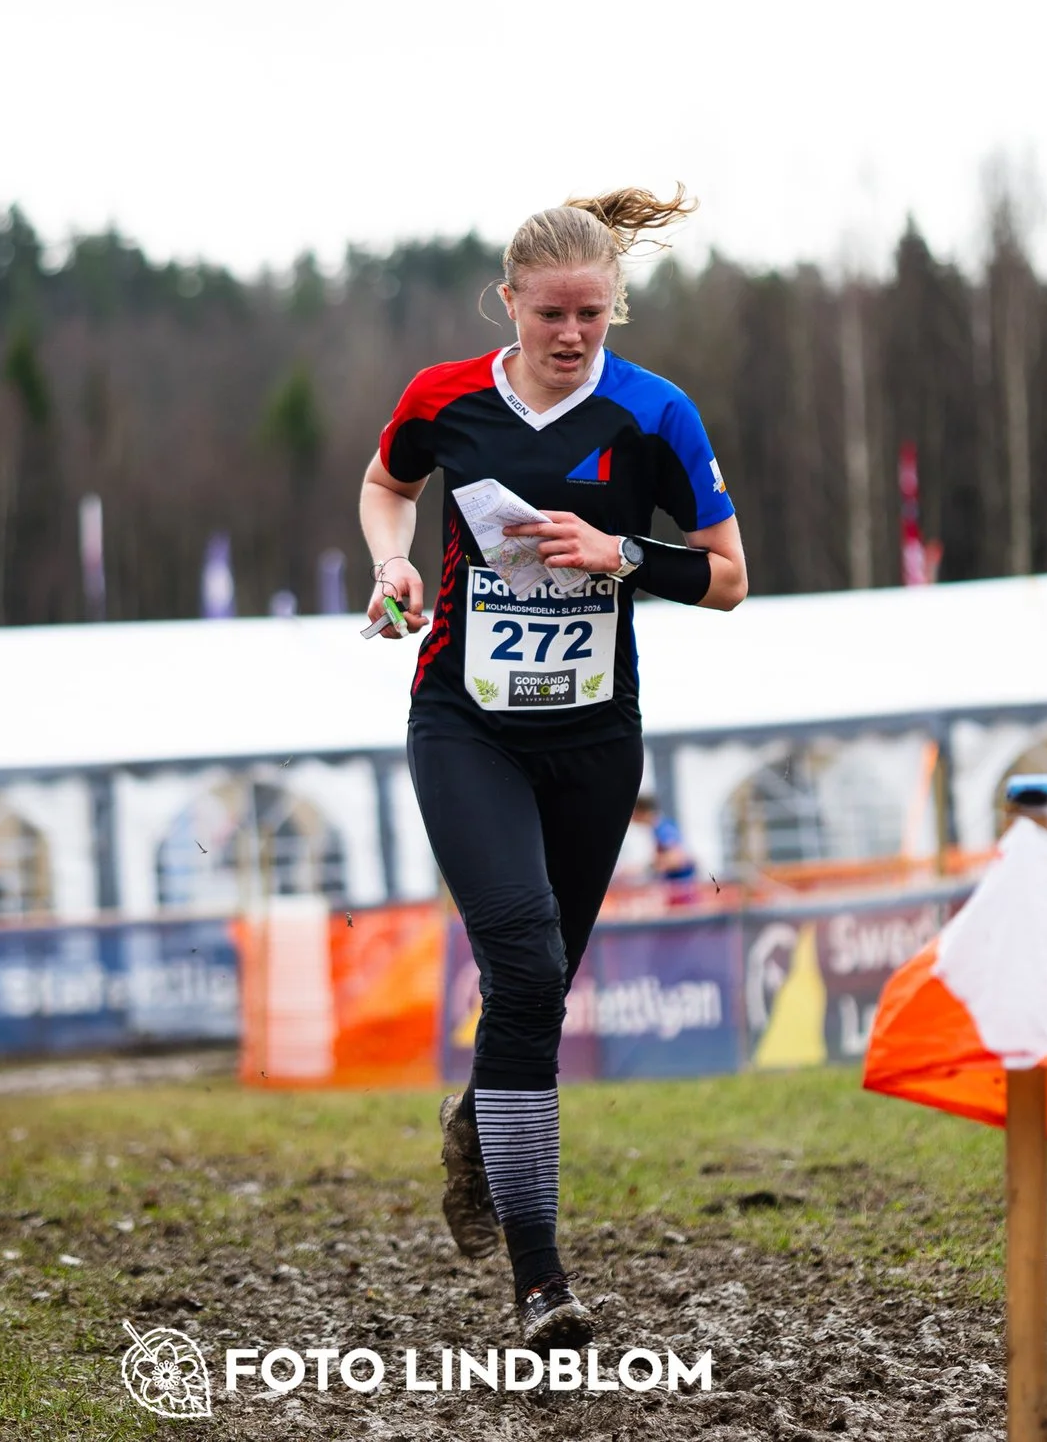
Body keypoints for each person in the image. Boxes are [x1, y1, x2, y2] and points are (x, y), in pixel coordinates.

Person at [360, 186, 747, 1351]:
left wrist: (622, 552)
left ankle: (484, 1111)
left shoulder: (654, 413)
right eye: (550, 314)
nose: (572, 334)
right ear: (510, 302)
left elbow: (728, 575)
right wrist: (393, 566)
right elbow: (390, 485)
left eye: (593, 313)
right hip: (464, 717)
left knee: (536, 989)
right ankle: (541, 1282)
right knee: (522, 957)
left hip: (592, 736)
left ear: (615, 306)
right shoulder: (443, 398)